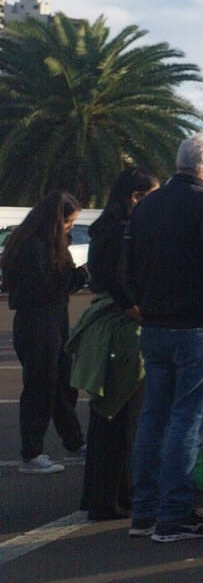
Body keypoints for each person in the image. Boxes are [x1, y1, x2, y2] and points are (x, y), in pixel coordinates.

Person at [124, 133, 203, 541]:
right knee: (187, 420)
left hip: (154, 324)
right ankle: (174, 514)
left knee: (154, 417)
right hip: (200, 327)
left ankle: (144, 511)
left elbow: (127, 265)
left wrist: (142, 303)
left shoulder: (145, 206)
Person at [67, 168, 159, 516]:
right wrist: (138, 310)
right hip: (122, 330)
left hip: (110, 326)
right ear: (136, 196)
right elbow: (120, 281)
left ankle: (102, 495)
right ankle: (114, 497)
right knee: (123, 414)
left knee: (111, 414)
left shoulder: (106, 228)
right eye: (152, 196)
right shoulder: (122, 231)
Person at [3, 191, 88, 475]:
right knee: (40, 387)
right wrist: (80, 276)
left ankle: (74, 441)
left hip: (49, 320)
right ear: (55, 221)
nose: (70, 228)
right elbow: (45, 287)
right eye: (68, 222)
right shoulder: (34, 247)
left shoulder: (36, 243)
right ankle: (32, 453)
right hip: (39, 322)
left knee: (61, 384)